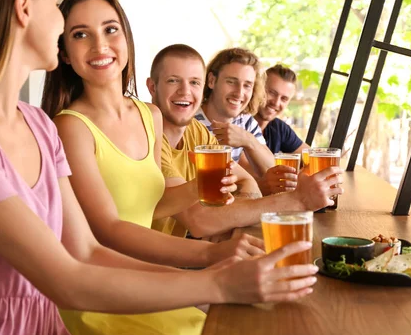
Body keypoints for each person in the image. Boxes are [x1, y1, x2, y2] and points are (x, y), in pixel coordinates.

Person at [0, 0, 318, 335]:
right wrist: (216, 281)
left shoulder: (37, 125)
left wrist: (214, 266)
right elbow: (67, 277)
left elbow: (86, 251)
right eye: (57, 5)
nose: (62, 26)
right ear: (25, 8)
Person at [40, 0, 276, 335]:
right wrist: (210, 257)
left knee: (251, 323)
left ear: (126, 39)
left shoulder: (148, 114)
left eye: (110, 29)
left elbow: (153, 207)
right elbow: (108, 230)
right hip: (103, 294)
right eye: (80, 34)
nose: (100, 45)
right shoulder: (71, 128)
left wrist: (197, 188)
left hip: (147, 280)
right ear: (66, 54)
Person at [147, 44, 344, 237]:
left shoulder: (197, 131)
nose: (185, 91)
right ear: (152, 87)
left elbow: (248, 181)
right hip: (148, 263)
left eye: (194, 82)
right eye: (173, 81)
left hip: (179, 253)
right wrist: (298, 200)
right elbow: (199, 220)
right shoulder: (147, 135)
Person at [194, 48, 274, 178]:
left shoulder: (245, 121)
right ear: (211, 81)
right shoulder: (190, 120)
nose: (239, 93)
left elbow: (272, 171)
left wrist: (248, 140)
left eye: (247, 85)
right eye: (231, 82)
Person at [254, 64, 311, 195]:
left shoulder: (278, 127)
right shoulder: (240, 123)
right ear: (258, 88)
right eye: (272, 93)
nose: (276, 102)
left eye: (284, 99)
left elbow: (311, 157)